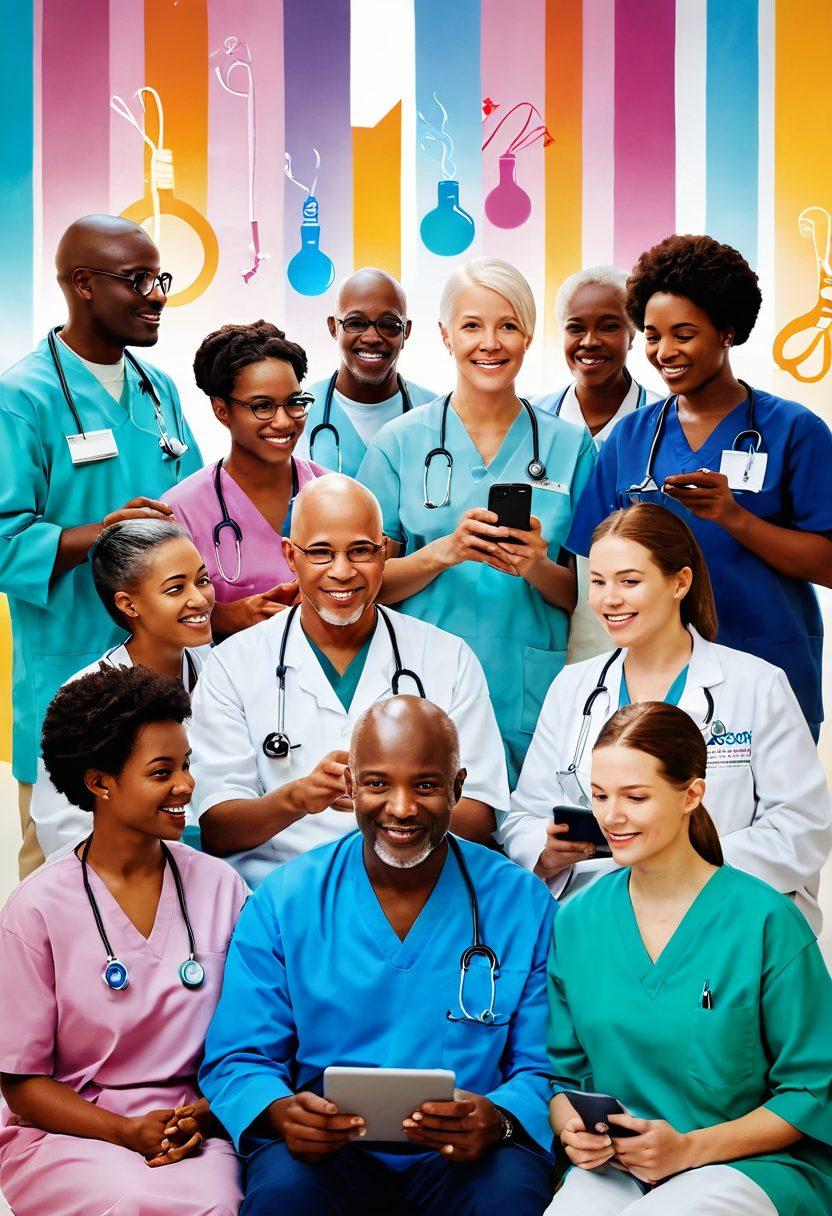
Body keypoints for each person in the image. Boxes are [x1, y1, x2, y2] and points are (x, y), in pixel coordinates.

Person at [200, 697, 556, 1216]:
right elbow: (239, 1055)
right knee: (283, 1197)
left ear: (458, 788)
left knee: (509, 1198)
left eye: (427, 785)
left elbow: (548, 1065)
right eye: (377, 784)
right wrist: (280, 1113)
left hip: (471, 1152)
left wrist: (500, 1118)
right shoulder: (286, 900)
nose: (402, 807)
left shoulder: (522, 902)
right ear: (349, 788)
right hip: (328, 1152)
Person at [546, 702, 832, 1215]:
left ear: (692, 794)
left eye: (635, 797)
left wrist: (687, 1150)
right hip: (620, 1167)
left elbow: (814, 1091)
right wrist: (571, 1128)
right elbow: (564, 1078)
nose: (611, 816)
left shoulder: (764, 922)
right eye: (600, 796)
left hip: (752, 1165)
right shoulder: (576, 923)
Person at [501, 504, 831, 929]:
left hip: (721, 916)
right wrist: (545, 849)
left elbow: (800, 826)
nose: (609, 599)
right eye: (598, 582)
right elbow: (524, 816)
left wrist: (681, 871)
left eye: (630, 581)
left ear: (680, 582)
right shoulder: (573, 687)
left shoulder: (757, 685)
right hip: (602, 920)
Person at [0, 665, 247, 1216]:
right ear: (100, 782)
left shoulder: (221, 888)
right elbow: (21, 1084)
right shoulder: (37, 910)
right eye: (162, 772)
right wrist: (123, 1131)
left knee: (218, 1203)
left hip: (197, 1127)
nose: (185, 785)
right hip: (73, 1132)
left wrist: (203, 1115)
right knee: (129, 1200)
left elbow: (255, 1039)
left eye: (186, 766)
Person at [566, 234, 832, 739]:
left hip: (770, 670)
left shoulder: (795, 431)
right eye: (651, 335)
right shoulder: (631, 437)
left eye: (683, 334)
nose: (664, 352)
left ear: (727, 332)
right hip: (655, 683)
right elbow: (594, 569)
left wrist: (734, 517)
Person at [0, 214, 202, 878]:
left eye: (160, 278)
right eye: (138, 279)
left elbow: (196, 512)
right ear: (82, 284)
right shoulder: (22, 398)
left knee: (171, 884)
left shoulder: (159, 391)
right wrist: (101, 537)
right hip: (68, 675)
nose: (157, 295)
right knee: (63, 889)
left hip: (163, 688)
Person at [189, 474, 509, 887]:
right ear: (290, 555)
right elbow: (218, 828)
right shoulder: (233, 663)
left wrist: (392, 798)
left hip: (420, 887)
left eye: (360, 551)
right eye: (321, 553)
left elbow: (479, 817)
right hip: (284, 894)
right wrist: (298, 797)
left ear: (384, 553)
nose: (342, 572)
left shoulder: (447, 657)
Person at [358, 257, 596, 783]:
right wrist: (446, 550)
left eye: (507, 325)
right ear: (445, 336)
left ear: (528, 336)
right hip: (422, 678)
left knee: (528, 844)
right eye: (472, 326)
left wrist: (535, 564)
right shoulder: (398, 443)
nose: (490, 342)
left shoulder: (571, 446)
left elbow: (592, 596)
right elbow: (365, 583)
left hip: (531, 687)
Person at [30, 518, 215, 860]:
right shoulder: (88, 700)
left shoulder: (223, 670)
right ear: (129, 605)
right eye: (176, 588)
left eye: (201, 581)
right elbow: (65, 832)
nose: (199, 599)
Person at [163, 320, 326, 637]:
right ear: (221, 410)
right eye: (262, 406)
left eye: (294, 402)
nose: (283, 421)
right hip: (222, 680)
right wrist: (225, 617)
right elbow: (160, 622)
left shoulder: (332, 493)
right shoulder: (180, 511)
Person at [297, 268, 435, 478]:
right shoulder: (300, 413)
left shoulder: (437, 414)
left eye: (389, 324)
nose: (371, 337)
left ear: (406, 331)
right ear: (334, 328)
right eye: (356, 323)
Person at [534, 266, 658, 448]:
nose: (589, 342)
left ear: (631, 334)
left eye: (608, 327)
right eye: (576, 328)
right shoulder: (532, 417)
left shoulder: (666, 417)